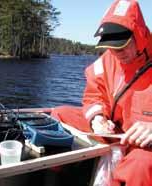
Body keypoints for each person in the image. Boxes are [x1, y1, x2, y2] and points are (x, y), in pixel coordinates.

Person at [51, 0, 152, 185]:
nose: (117, 53)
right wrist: (97, 118)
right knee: (58, 114)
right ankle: (60, 177)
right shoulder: (108, 60)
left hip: (143, 144)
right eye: (112, 48)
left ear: (138, 34)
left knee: (140, 165)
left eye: (121, 47)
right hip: (113, 132)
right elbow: (93, 95)